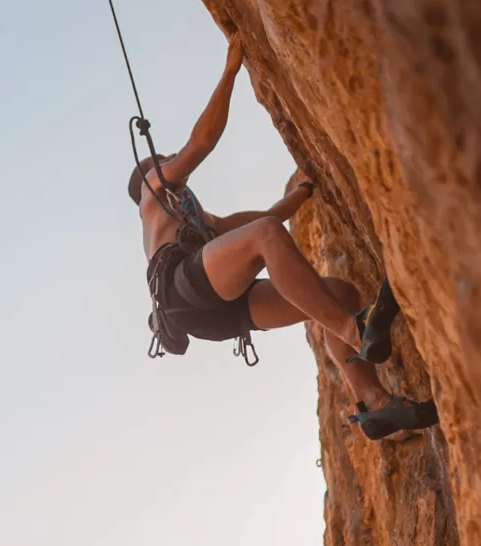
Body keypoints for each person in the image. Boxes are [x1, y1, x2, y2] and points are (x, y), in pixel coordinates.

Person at [129, 34, 438, 441]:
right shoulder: (153, 192)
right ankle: (353, 332)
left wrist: (305, 190)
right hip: (182, 290)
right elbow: (201, 144)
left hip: (216, 313)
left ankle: (375, 408)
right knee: (269, 241)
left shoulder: (200, 224)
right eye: (165, 160)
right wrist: (230, 71)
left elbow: (269, 217)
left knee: (338, 294)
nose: (171, 162)